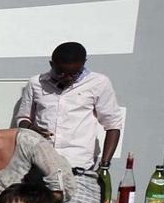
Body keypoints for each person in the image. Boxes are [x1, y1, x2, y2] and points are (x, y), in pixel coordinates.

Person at [16, 41, 123, 173]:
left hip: (77, 166)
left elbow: (113, 125)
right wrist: (30, 128)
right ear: (51, 64)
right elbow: (22, 118)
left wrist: (104, 166)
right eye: (60, 72)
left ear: (84, 63)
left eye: (74, 73)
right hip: (39, 163)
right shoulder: (35, 83)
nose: (67, 78)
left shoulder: (99, 83)